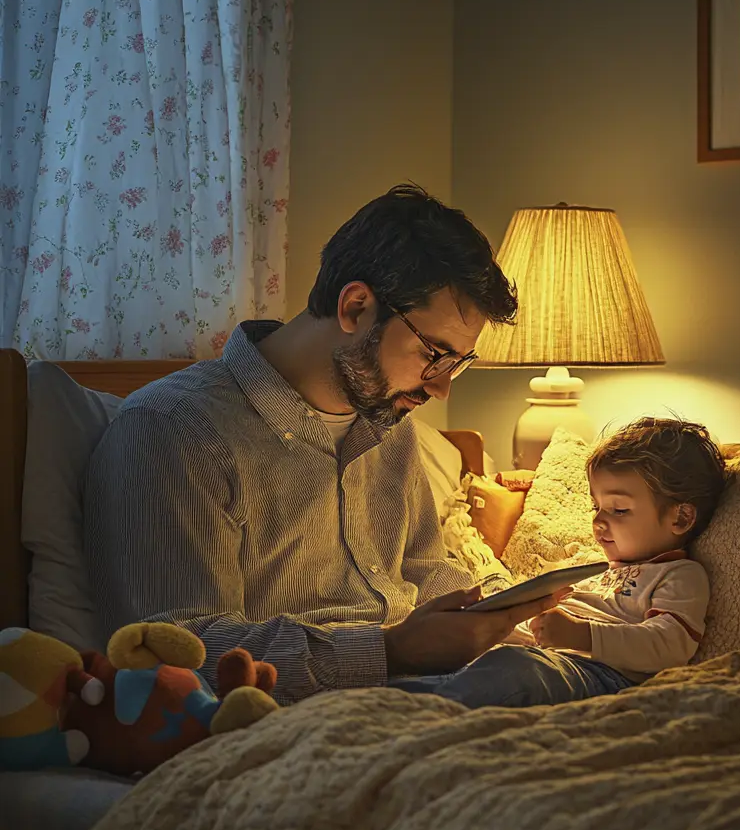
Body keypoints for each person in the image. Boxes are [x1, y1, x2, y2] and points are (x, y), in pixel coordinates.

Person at [83, 185, 571, 705]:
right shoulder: (172, 430)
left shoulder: (391, 427)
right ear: (356, 306)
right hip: (291, 716)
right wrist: (390, 651)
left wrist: (495, 621)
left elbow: (427, 572)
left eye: (457, 363)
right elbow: (175, 653)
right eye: (434, 353)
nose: (441, 386)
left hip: (429, 694)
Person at [390, 418, 726, 707]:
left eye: (619, 510)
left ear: (680, 518)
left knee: (516, 669)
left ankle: (419, 707)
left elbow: (670, 644)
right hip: (549, 662)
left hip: (605, 677)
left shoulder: (680, 575)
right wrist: (499, 628)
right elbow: (536, 638)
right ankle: (393, 696)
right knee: (487, 662)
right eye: (597, 507)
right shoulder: (594, 571)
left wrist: (584, 636)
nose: (598, 521)